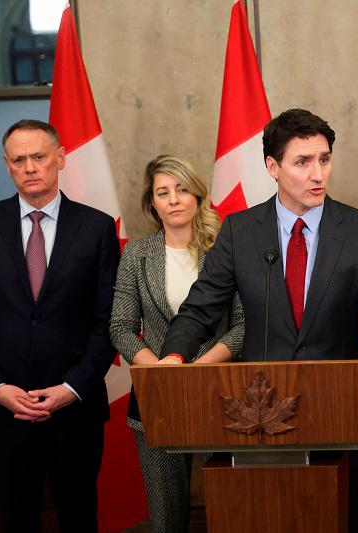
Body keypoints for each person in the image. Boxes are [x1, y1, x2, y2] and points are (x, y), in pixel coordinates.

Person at [161, 108, 358, 532]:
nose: (318, 174)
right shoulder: (240, 231)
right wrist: (174, 358)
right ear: (272, 167)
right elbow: (201, 308)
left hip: (339, 407)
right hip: (256, 411)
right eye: (302, 162)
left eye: (324, 159)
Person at [0, 119, 120, 532]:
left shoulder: (96, 227)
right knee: (17, 515)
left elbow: (110, 319)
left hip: (74, 406)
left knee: (79, 515)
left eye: (39, 157)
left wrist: (72, 387)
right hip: (4, 406)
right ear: (7, 165)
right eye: (19, 160)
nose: (30, 167)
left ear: (60, 158)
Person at [109, 155, 244, 533]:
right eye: (163, 192)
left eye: (181, 189)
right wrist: (160, 371)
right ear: (152, 203)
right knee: (166, 516)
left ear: (198, 196)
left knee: (232, 506)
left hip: (219, 388)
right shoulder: (137, 255)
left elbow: (243, 326)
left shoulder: (225, 250)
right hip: (156, 394)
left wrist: (195, 370)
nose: (173, 199)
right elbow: (120, 326)